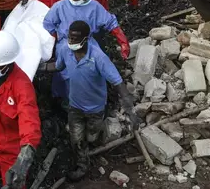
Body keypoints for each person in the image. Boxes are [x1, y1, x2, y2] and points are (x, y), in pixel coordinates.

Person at [39, 21, 140, 181]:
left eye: (75, 39)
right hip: (75, 106)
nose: (71, 42)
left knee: (92, 136)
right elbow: (58, 66)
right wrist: (41, 67)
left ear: (86, 39)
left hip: (95, 108)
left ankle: (94, 140)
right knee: (77, 139)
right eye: (70, 38)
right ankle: (82, 165)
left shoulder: (98, 57)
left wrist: (130, 110)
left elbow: (118, 83)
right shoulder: (66, 50)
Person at [43, 0, 130, 100]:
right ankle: (61, 98)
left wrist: (123, 42)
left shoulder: (94, 7)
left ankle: (97, 95)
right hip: (65, 42)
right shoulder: (60, 6)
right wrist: (57, 37)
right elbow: (48, 23)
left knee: (97, 65)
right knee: (63, 70)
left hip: (88, 42)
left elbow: (111, 23)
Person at [0, 31, 41, 189]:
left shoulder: (22, 87)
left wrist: (25, 156)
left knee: (14, 183)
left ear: (7, 64)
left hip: (11, 146)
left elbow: (29, 120)